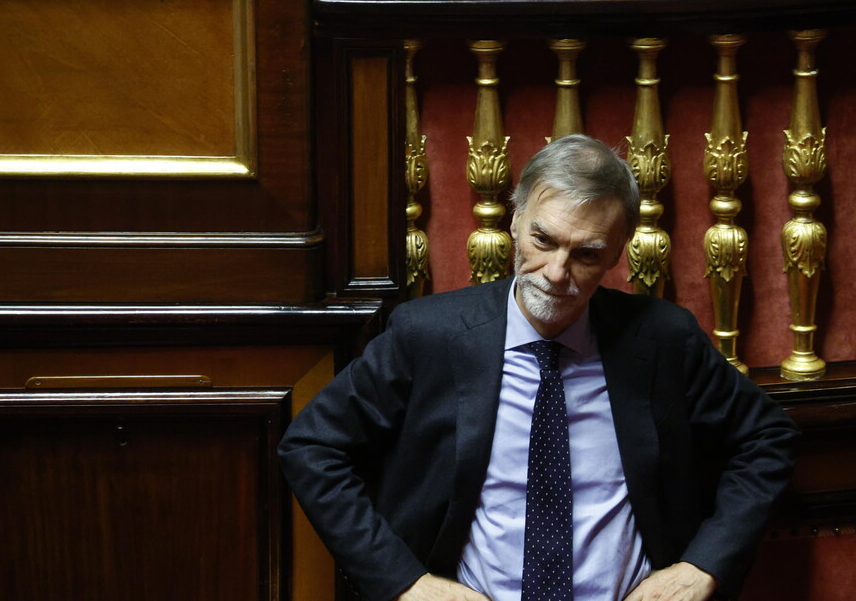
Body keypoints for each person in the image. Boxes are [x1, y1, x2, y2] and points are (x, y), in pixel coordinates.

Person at [278, 134, 798, 601]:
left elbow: (768, 438)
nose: (555, 273)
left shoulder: (663, 339)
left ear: (617, 253)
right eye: (543, 240)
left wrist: (703, 565)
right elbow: (312, 446)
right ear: (515, 220)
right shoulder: (427, 334)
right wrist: (405, 583)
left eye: (586, 254)